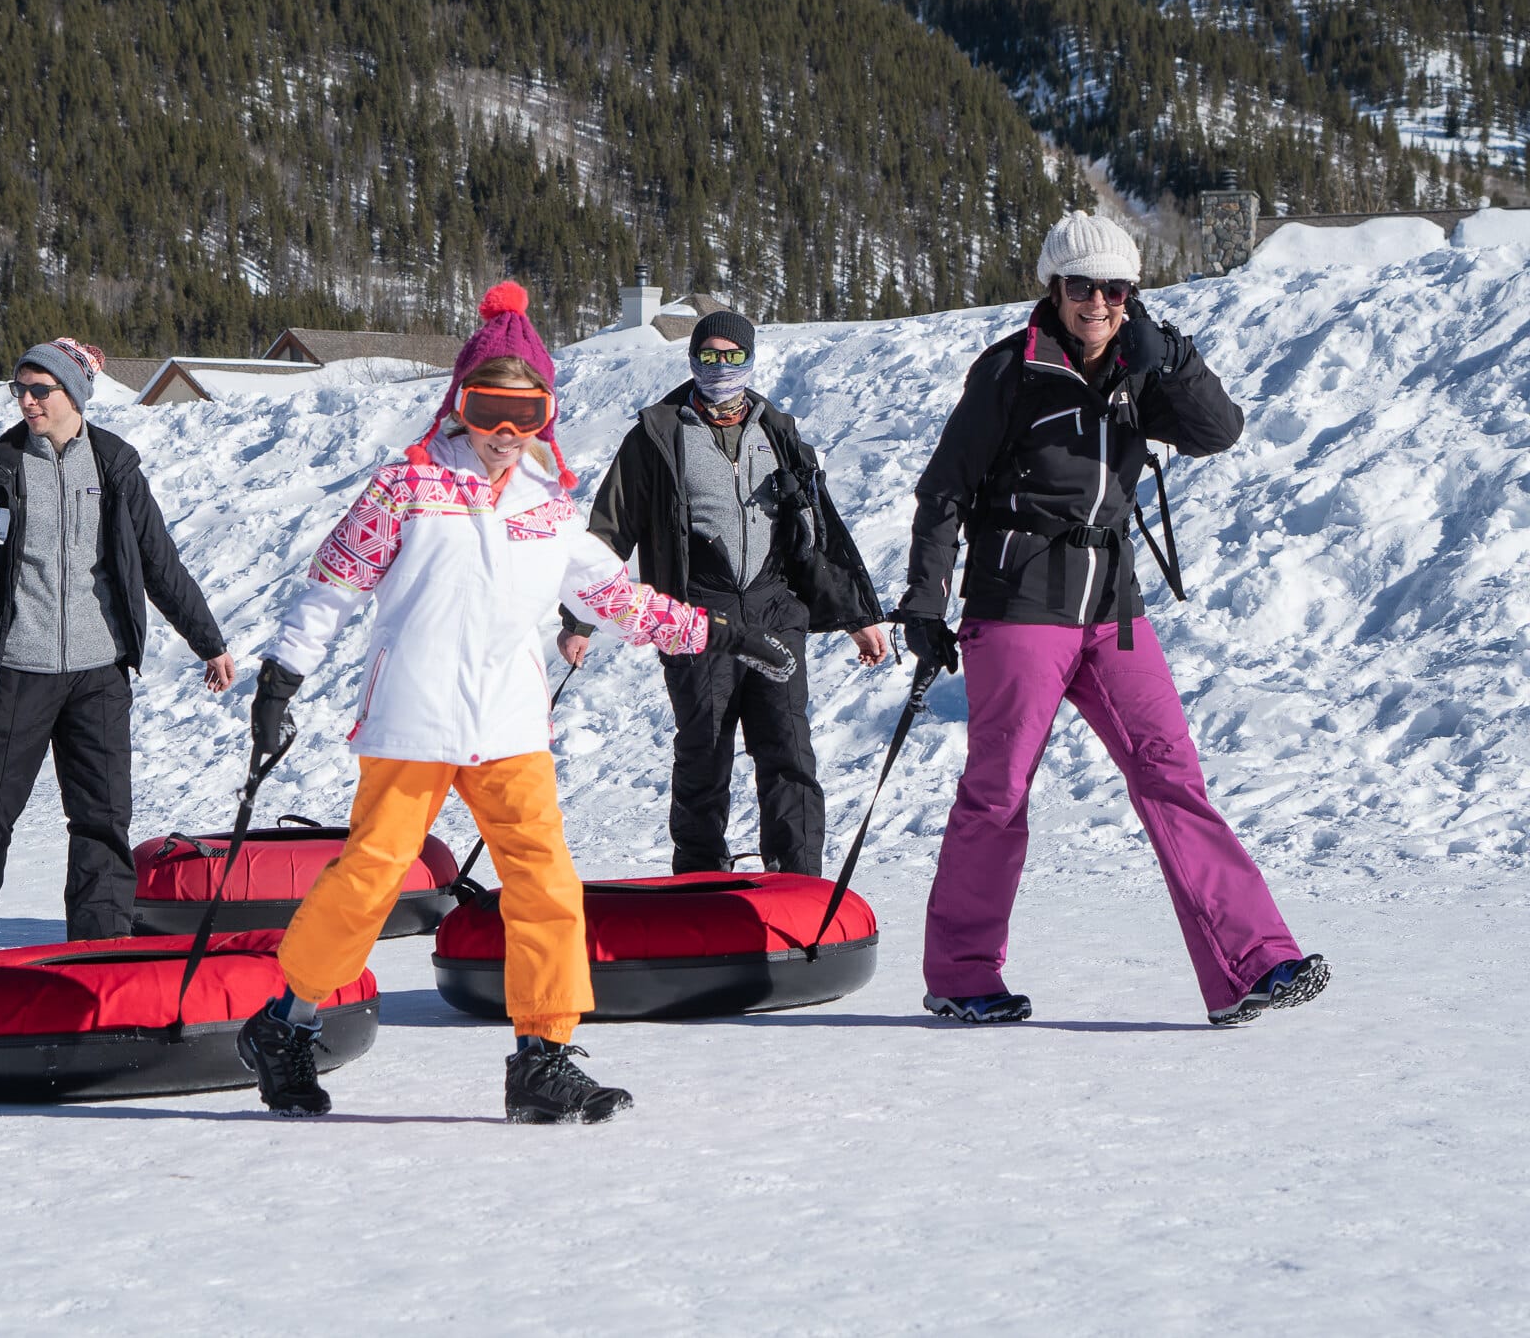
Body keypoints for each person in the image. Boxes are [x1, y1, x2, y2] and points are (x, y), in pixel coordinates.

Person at [234, 282, 797, 1121]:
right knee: (371, 878)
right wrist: (283, 676)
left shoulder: (549, 509)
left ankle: (543, 1052)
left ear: (544, 418)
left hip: (508, 726)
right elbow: (332, 586)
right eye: (488, 407)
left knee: (545, 883)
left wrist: (717, 632)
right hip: (414, 718)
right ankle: (287, 1020)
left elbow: (621, 601)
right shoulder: (406, 487)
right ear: (459, 403)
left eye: (523, 412)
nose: (503, 433)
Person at [894, 211, 1329, 1027]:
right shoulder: (1008, 374)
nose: (1098, 302)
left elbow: (1219, 430)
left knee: (1173, 773)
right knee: (1000, 792)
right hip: (1019, 602)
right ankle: (961, 972)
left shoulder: (1141, 370)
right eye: (1083, 286)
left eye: (1116, 289)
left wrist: (1177, 357)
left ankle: (1253, 962)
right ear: (1053, 289)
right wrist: (924, 600)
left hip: (1113, 609)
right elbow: (944, 490)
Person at [0, 338, 235, 951]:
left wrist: (207, 640)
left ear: (74, 395)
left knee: (103, 821)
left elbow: (159, 562)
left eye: (40, 390)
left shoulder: (114, 467)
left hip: (99, 676)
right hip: (13, 674)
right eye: (21, 390)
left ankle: (102, 953)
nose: (27, 401)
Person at [557, 309, 887, 878]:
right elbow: (610, 529)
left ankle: (798, 880)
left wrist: (860, 615)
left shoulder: (777, 432)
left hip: (773, 609)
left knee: (787, 748)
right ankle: (700, 878)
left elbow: (820, 528)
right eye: (708, 356)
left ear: (750, 359)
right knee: (704, 753)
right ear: (692, 360)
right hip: (695, 614)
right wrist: (580, 618)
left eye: (731, 356)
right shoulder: (657, 437)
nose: (719, 367)